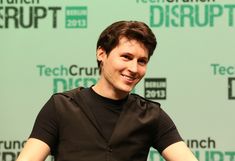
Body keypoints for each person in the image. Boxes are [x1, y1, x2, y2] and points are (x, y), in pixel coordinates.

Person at [16, 20, 198, 161]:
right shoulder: (61, 106)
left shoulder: (151, 114)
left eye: (142, 61)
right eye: (126, 57)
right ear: (101, 54)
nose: (134, 68)